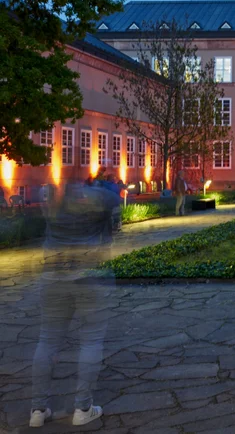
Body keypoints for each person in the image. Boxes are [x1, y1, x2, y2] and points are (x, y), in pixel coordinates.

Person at [30, 181, 121, 428]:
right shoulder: (99, 196)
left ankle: (37, 410)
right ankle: (82, 407)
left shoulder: (50, 197)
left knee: (47, 340)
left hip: (53, 276)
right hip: (90, 276)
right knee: (91, 340)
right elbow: (115, 201)